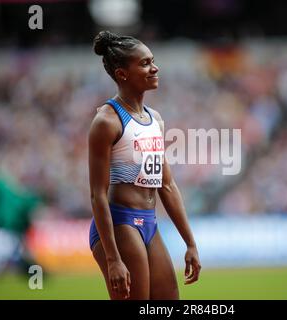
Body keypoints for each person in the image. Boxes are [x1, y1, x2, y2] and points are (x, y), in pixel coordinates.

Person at [88, 31, 201, 300]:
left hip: (149, 223)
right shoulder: (107, 122)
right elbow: (97, 194)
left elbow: (167, 184)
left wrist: (191, 243)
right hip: (120, 223)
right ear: (122, 74)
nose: (155, 67)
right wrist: (113, 258)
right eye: (145, 63)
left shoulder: (155, 119)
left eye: (153, 60)